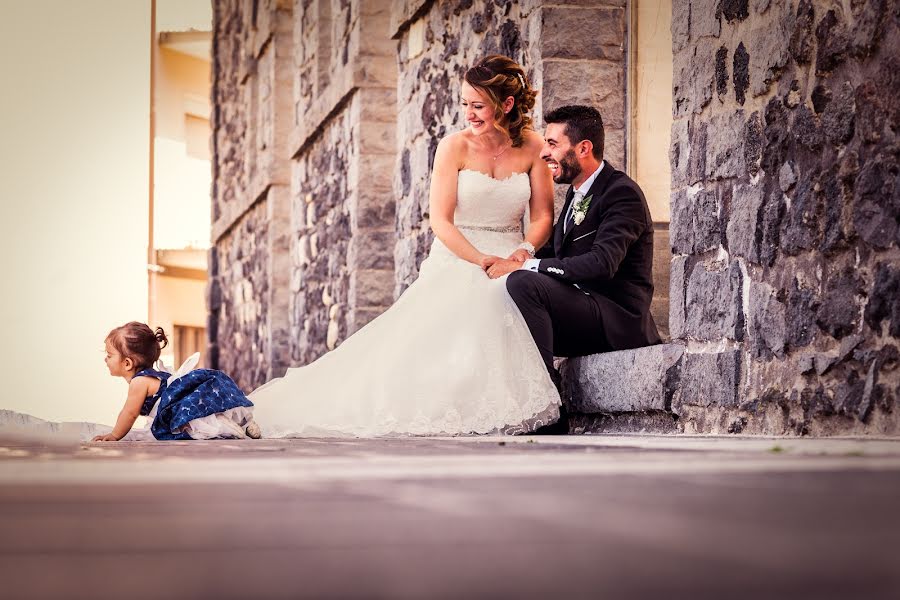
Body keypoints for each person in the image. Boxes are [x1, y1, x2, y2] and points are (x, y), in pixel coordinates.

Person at [249, 55, 561, 437]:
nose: (468, 113)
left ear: (506, 105)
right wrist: (481, 260)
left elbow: (543, 215)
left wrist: (524, 250)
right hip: (461, 254)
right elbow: (441, 221)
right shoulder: (453, 147)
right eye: (464, 103)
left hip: (511, 255)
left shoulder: (532, 147)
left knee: (503, 301)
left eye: (477, 105)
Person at [503, 105, 662, 400]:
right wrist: (518, 257)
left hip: (615, 318)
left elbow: (602, 263)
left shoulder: (621, 193)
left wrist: (530, 268)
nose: (543, 153)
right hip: (583, 311)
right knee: (500, 292)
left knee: (522, 283)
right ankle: (512, 399)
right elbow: (558, 250)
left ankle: (548, 401)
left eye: (552, 144)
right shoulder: (578, 193)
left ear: (583, 148)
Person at [92, 321, 260, 441]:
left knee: (201, 423)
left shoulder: (139, 382)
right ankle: (246, 425)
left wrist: (114, 435)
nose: (105, 360)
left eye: (109, 355)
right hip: (185, 405)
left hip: (182, 409)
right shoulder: (149, 376)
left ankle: (230, 428)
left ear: (127, 363)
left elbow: (129, 413)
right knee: (210, 414)